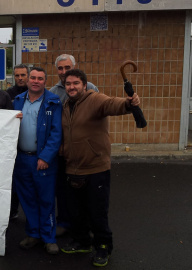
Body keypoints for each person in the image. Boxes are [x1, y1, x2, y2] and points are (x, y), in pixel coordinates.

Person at [60, 69, 140, 267]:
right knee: (77, 211)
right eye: (68, 84)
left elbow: (112, 104)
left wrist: (128, 103)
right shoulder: (65, 105)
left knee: (97, 212)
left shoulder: (94, 100)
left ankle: (103, 246)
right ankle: (83, 242)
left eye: (76, 83)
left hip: (95, 168)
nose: (72, 87)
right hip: (72, 168)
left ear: (84, 85)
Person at [12, 67, 62, 255]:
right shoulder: (17, 101)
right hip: (22, 159)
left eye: (40, 78)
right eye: (32, 77)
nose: (35, 81)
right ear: (27, 80)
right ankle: (33, 234)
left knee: (46, 199)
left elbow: (56, 133)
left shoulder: (53, 102)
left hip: (42, 161)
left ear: (45, 81)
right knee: (27, 199)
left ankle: (49, 238)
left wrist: (45, 157)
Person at [49, 54, 99, 237]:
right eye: (60, 68)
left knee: (87, 192)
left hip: (85, 151)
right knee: (63, 191)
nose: (64, 72)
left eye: (67, 68)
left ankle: (88, 227)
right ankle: (64, 222)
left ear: (75, 67)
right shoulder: (53, 92)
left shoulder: (90, 88)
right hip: (63, 151)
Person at [6, 64, 30, 220]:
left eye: (23, 75)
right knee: (12, 183)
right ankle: (12, 211)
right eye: (17, 75)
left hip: (29, 144)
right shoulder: (8, 94)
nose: (20, 78)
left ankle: (30, 215)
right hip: (12, 145)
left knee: (29, 185)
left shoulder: (35, 92)